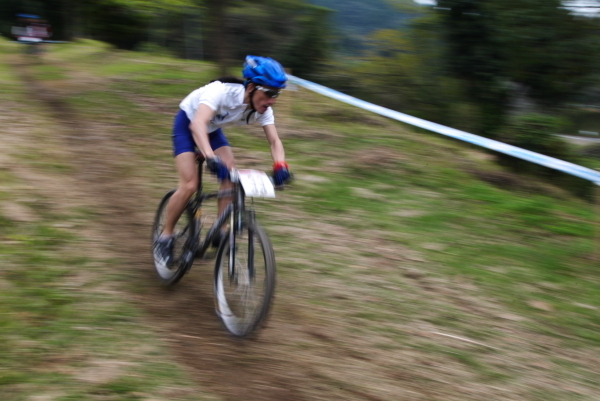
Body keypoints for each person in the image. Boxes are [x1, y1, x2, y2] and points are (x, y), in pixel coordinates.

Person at [153, 55, 291, 268]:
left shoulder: (263, 109)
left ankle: (221, 230)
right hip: (188, 124)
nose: (272, 100)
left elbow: (274, 141)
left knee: (230, 175)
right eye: (269, 93)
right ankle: (165, 237)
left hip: (212, 130)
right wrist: (210, 157)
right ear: (251, 87)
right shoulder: (220, 91)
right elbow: (197, 124)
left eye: (277, 94)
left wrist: (280, 165)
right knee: (189, 185)